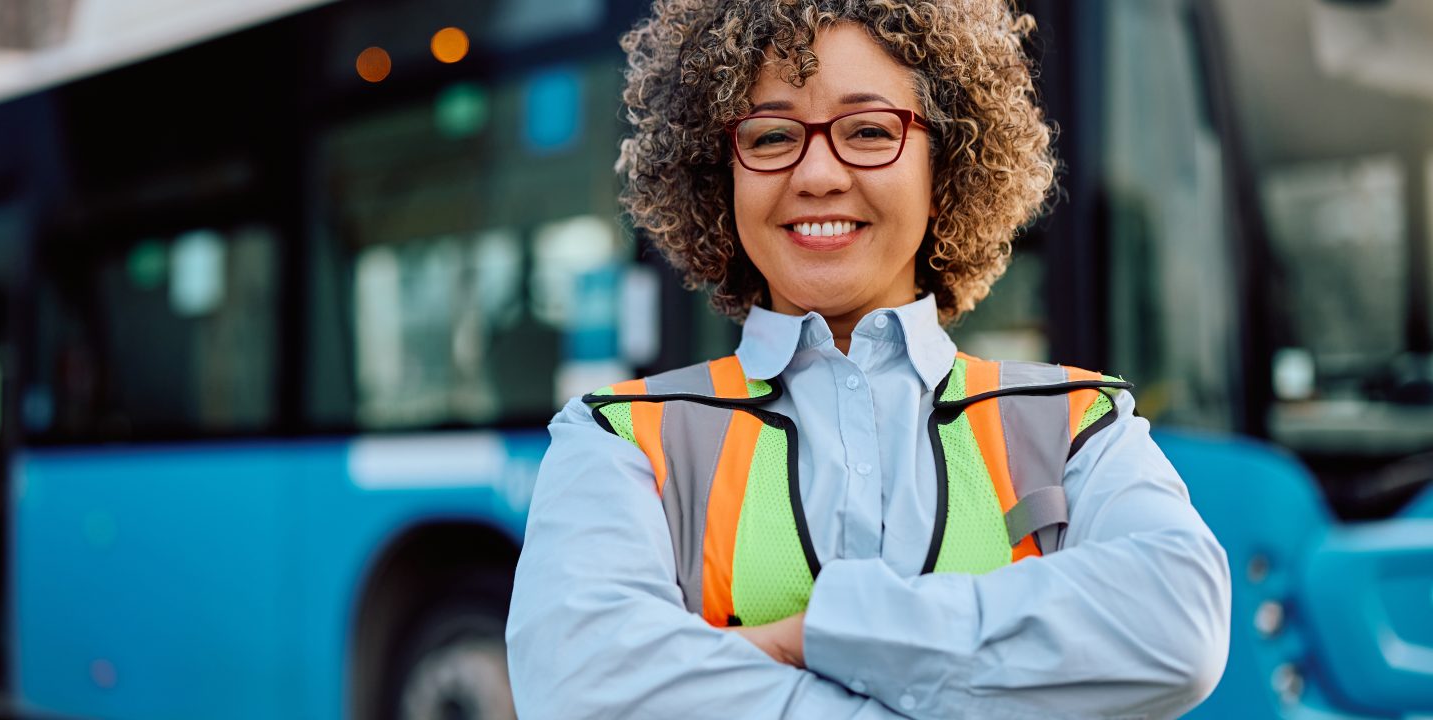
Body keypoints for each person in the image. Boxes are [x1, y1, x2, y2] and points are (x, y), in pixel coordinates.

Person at [506, 1, 1231, 717]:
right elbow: (581, 687)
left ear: (945, 168)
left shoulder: (1078, 424)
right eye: (769, 137)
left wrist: (811, 635)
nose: (817, 173)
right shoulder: (616, 438)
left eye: (869, 130)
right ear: (718, 177)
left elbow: (1178, 626)